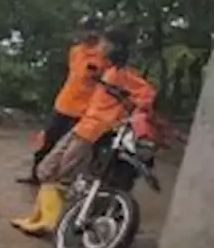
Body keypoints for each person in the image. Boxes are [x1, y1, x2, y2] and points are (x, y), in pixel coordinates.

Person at [12, 27, 156, 236]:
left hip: (94, 131)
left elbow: (147, 94)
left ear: (113, 47)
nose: (100, 46)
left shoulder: (122, 74)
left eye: (104, 43)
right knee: (46, 169)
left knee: (62, 175)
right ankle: (40, 218)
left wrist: (132, 108)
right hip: (83, 126)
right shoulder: (105, 69)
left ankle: (52, 222)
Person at [19, 16, 106, 184]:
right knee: (47, 141)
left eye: (89, 30)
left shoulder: (103, 56)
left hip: (83, 111)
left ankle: (65, 182)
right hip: (63, 105)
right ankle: (36, 176)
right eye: (82, 29)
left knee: (72, 151)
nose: (84, 34)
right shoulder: (75, 51)